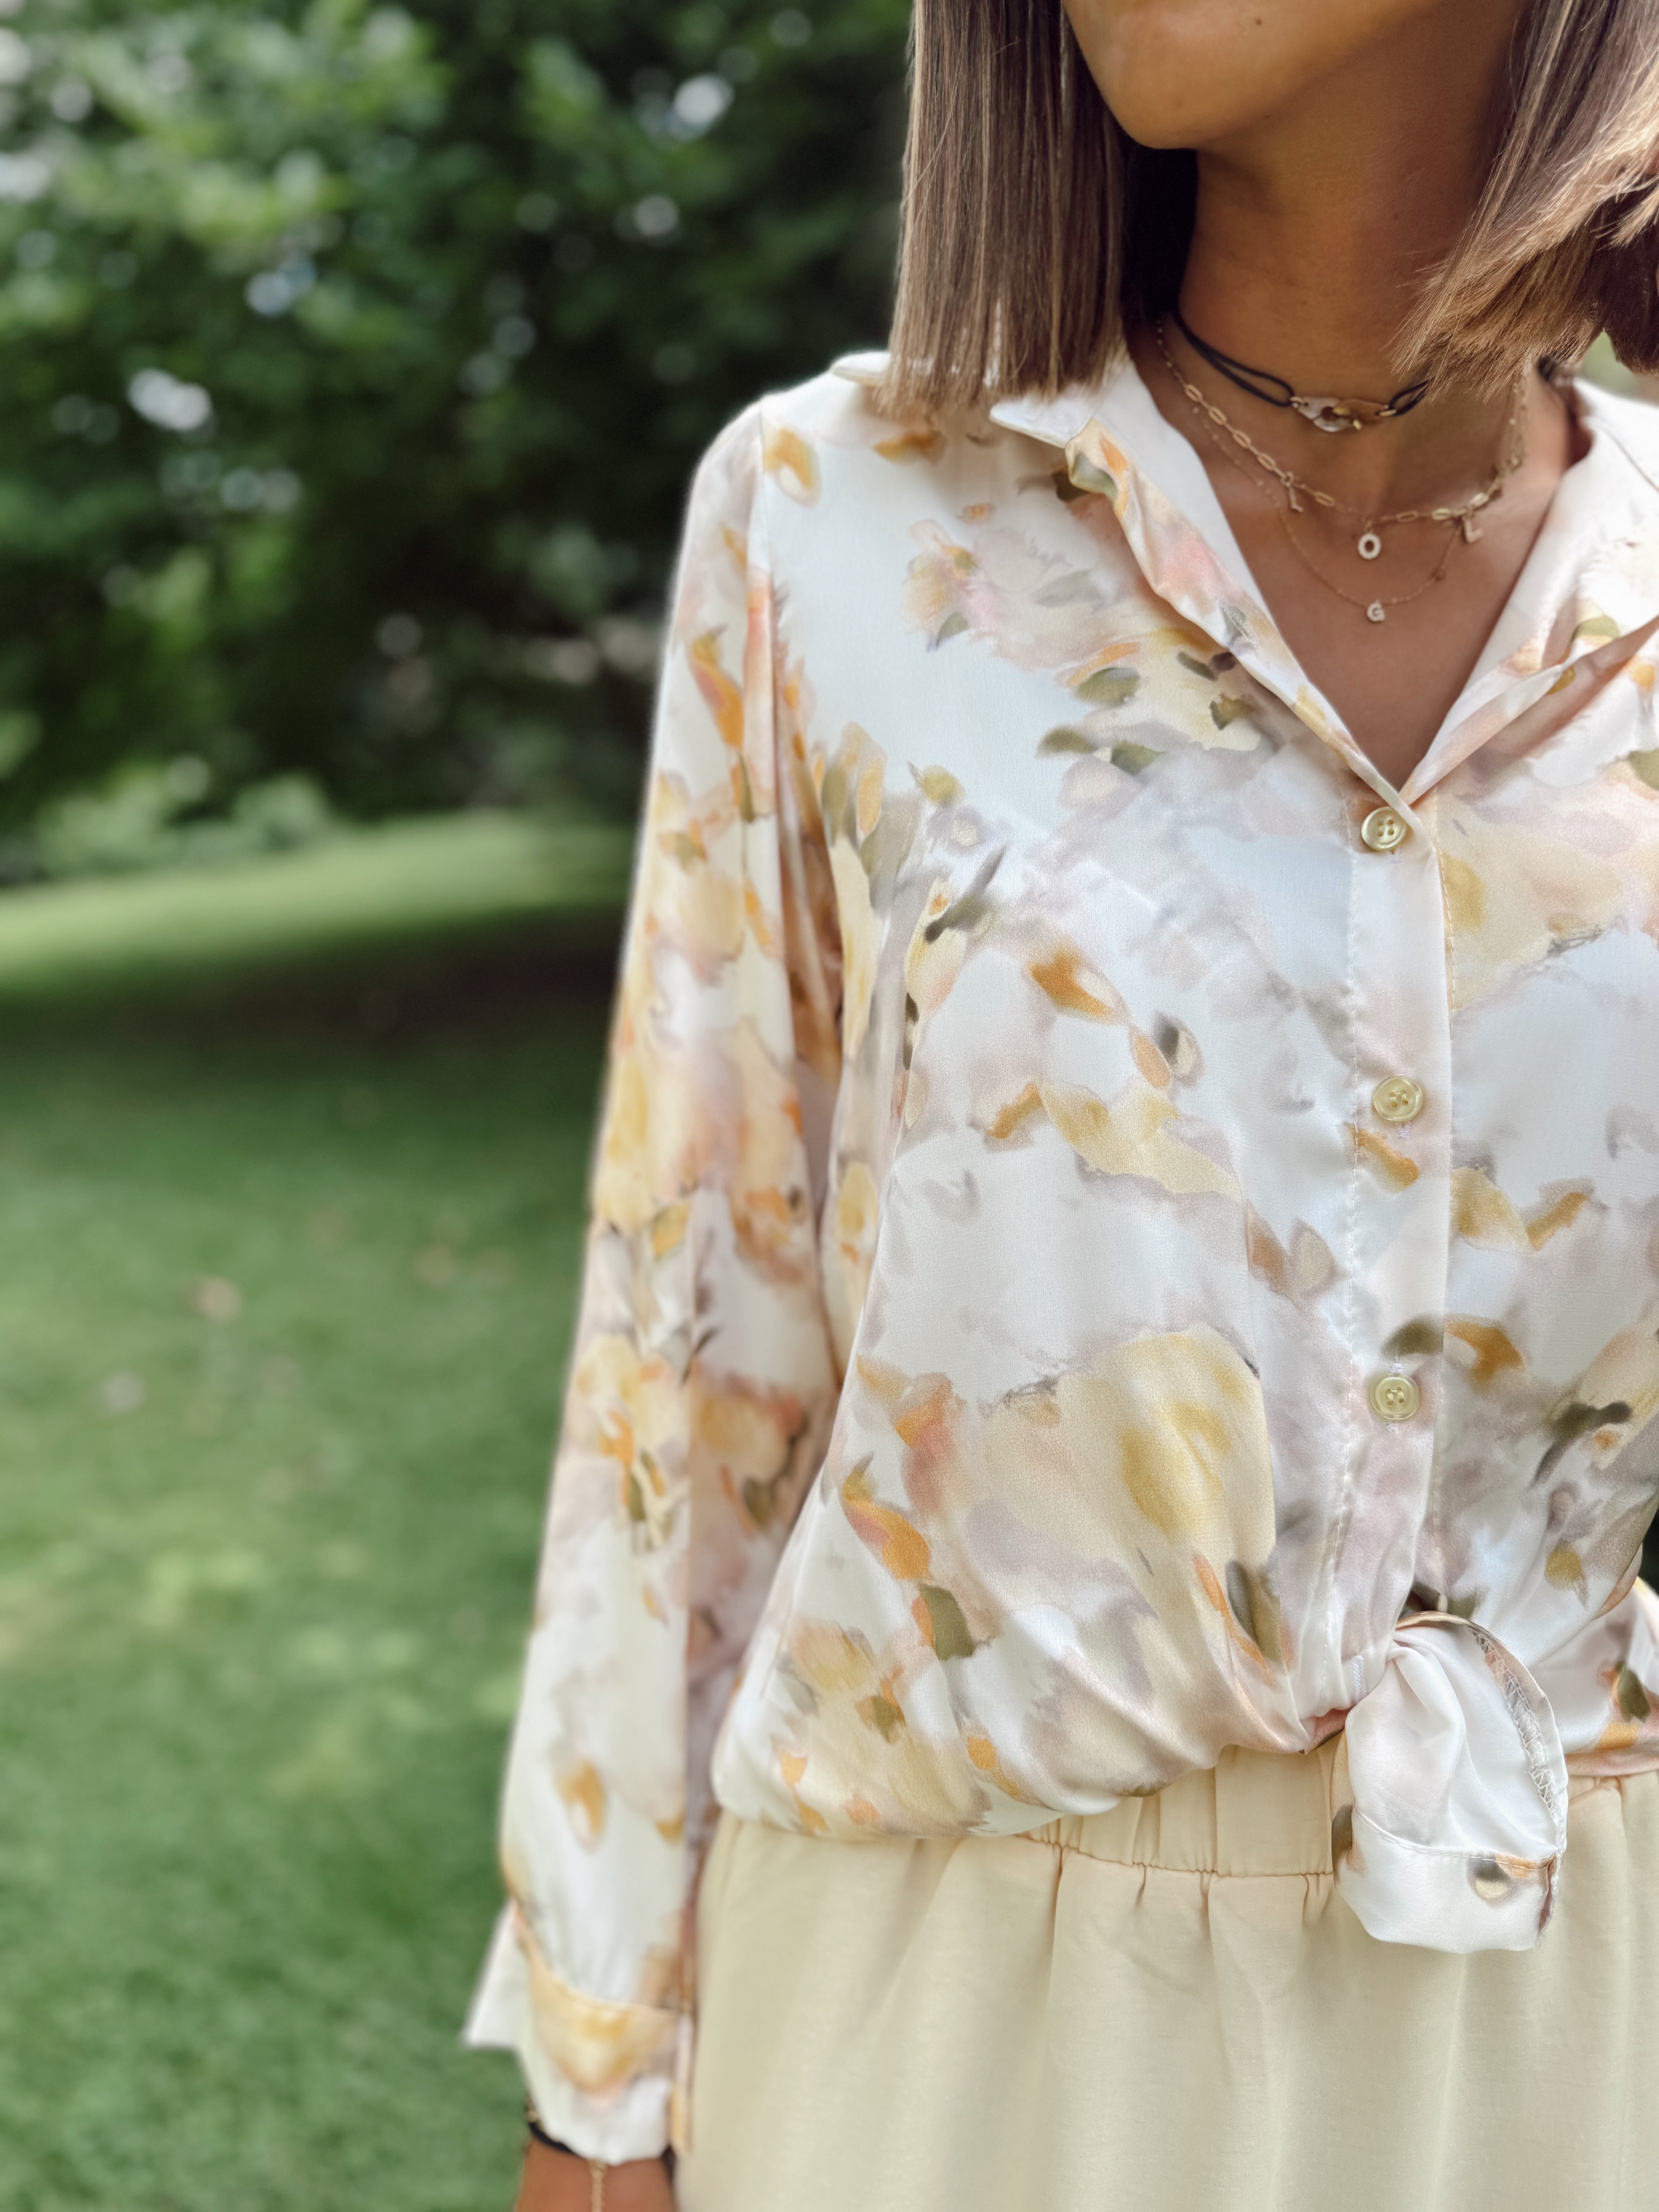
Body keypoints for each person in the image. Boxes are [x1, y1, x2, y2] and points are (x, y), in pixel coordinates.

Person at [467, 2, 1659, 2205]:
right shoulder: (837, 519)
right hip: (944, 2027)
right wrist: (599, 2082)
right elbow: (691, 1361)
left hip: (1567, 2025)